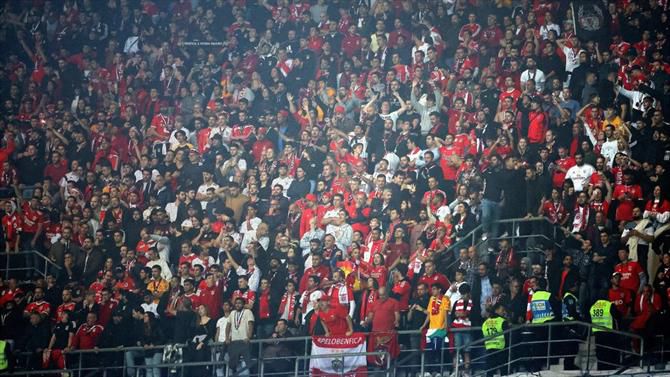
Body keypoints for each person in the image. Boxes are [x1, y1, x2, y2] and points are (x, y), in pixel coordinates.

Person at [590, 293, 619, 370]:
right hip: (608, 332)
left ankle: (601, 367)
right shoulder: (609, 305)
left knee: (600, 352)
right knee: (609, 352)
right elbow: (618, 316)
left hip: (597, 333)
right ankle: (610, 368)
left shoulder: (593, 306)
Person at [226, 297, 254, 374]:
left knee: (247, 362)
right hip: (234, 341)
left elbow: (250, 324)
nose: (237, 305)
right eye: (236, 303)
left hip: (244, 340)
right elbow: (228, 325)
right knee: (233, 363)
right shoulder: (232, 313)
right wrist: (227, 338)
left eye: (239, 303)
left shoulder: (248, 312)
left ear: (243, 304)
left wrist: (249, 336)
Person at [482, 303, 509, 377]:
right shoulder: (502, 321)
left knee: (489, 372)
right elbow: (507, 336)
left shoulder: (485, 322)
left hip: (489, 350)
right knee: (503, 372)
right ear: (496, 310)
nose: (504, 312)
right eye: (502, 310)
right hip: (501, 349)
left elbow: (484, 335)